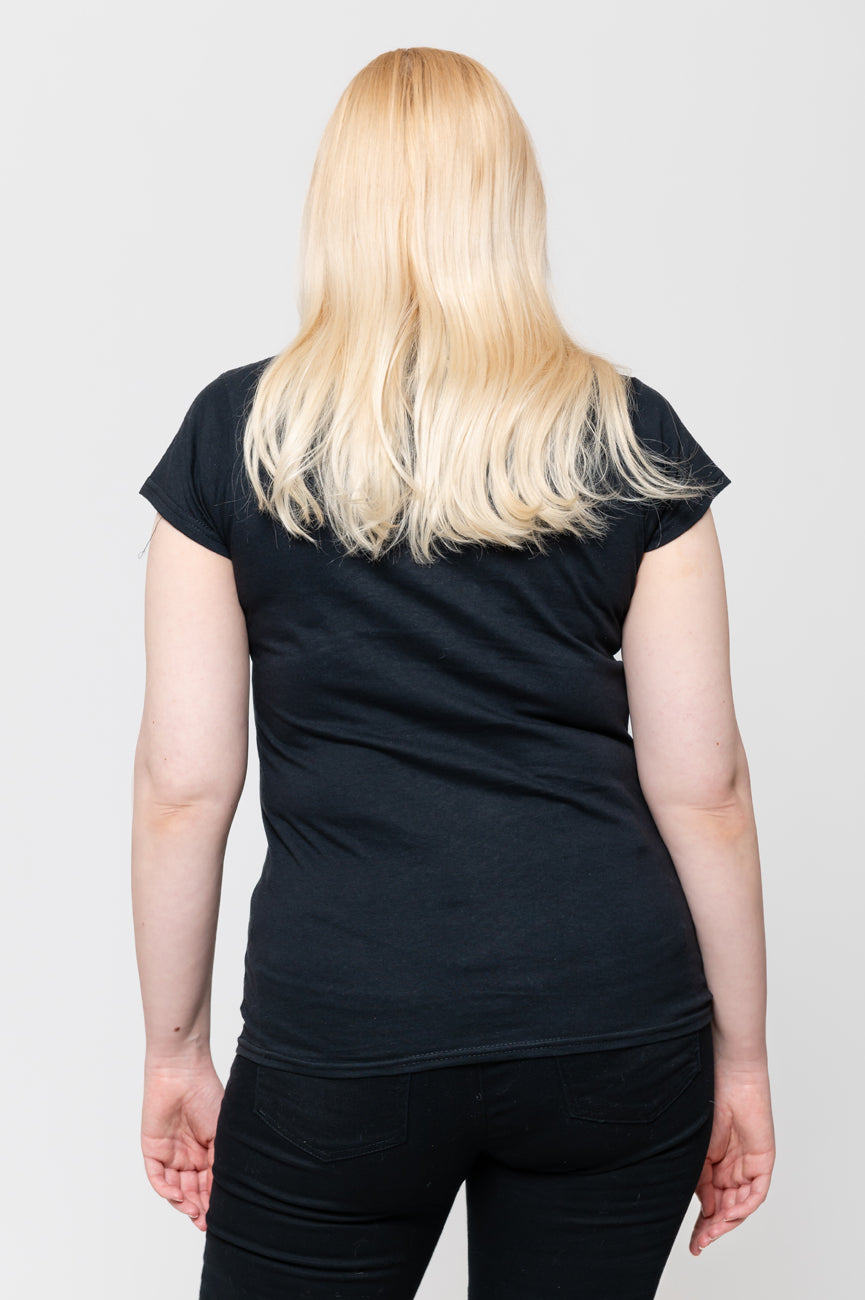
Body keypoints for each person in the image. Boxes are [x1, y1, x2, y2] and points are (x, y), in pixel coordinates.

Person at [132, 46, 774, 1300]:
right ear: (509, 206)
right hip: (609, 1019)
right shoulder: (628, 433)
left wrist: (174, 1049)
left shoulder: (239, 439)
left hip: (346, 1024)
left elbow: (182, 786)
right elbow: (706, 789)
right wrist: (741, 1062)